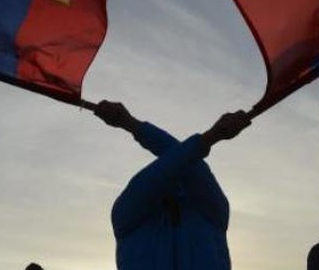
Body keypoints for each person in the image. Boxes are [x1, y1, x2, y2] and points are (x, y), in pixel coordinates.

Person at [94, 100, 251, 270]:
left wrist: (130, 123)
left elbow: (184, 165)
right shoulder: (126, 214)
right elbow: (168, 168)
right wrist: (212, 136)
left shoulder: (212, 210)